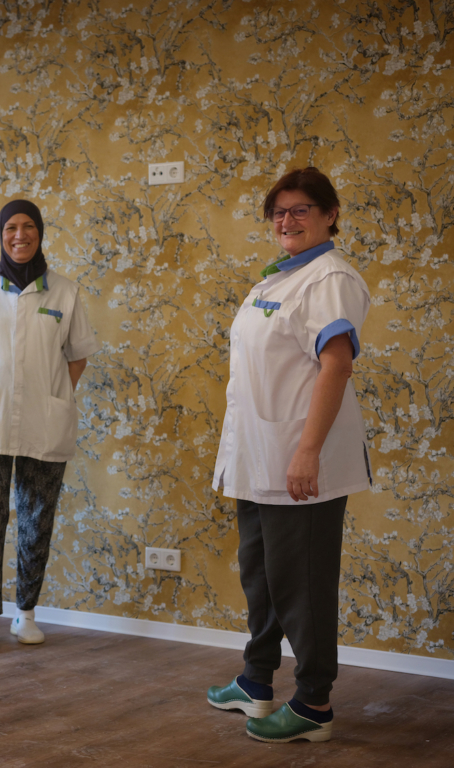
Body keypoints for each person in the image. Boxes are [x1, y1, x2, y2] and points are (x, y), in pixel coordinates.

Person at [207, 167, 372, 742]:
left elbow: (337, 365)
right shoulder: (277, 279)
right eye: (279, 212)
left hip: (300, 462)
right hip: (257, 457)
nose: (287, 220)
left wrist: (307, 451)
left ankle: (313, 704)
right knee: (262, 579)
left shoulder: (329, 278)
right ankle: (256, 682)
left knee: (302, 586)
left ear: (330, 215)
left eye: (301, 209)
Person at [0, 199, 99, 653]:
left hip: (43, 422)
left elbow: (78, 356)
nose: (20, 235)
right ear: (1, 234)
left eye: (29, 226)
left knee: (36, 519)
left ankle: (26, 614)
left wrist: (52, 397)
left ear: (40, 233)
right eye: (11, 227)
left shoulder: (64, 292)